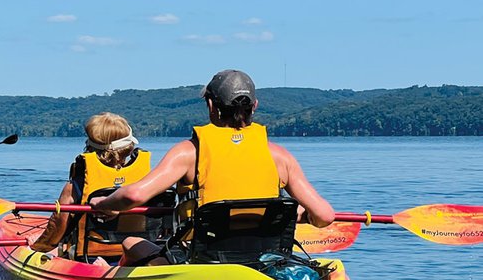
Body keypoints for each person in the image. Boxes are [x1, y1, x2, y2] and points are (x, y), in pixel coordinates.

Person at [89, 69, 335, 265]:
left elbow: (134, 195)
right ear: (254, 106)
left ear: (210, 106)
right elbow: (325, 216)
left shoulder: (189, 153)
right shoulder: (280, 157)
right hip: (262, 262)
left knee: (131, 243)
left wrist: (105, 205)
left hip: (199, 262)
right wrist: (298, 216)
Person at [28, 112, 165, 264]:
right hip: (140, 252)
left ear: (89, 145)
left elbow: (58, 226)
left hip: (90, 258)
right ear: (129, 147)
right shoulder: (149, 182)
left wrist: (37, 247)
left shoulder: (76, 186)